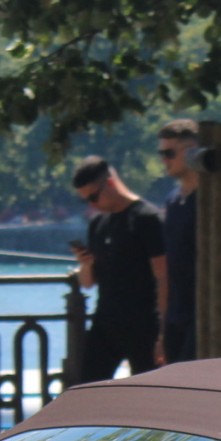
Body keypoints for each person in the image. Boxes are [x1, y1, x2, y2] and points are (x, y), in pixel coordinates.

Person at [155, 118, 221, 364]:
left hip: (209, 315)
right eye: (161, 153)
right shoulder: (172, 201)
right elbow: (170, 266)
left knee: (197, 392)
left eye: (169, 153)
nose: (163, 160)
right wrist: (163, 329)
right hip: (177, 315)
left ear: (191, 153)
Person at [69, 155, 165, 381]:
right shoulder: (98, 224)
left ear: (110, 183)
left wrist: (163, 334)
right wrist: (86, 264)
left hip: (143, 326)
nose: (91, 205)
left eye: (93, 197)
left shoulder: (147, 219)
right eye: (85, 201)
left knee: (147, 394)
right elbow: (87, 283)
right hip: (106, 324)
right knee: (86, 390)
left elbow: (164, 278)